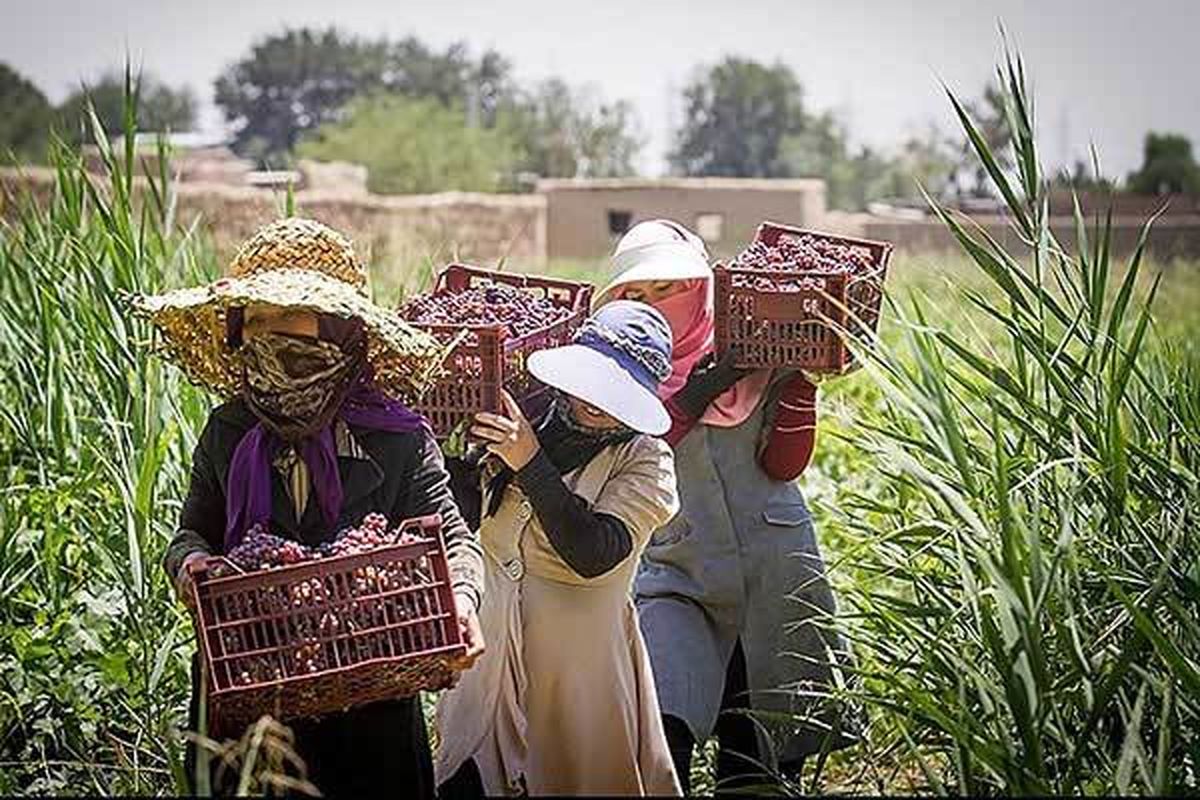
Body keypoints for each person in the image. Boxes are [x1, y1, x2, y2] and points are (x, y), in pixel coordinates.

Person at [132, 217, 485, 797]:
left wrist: (463, 599)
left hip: (372, 694)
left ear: (338, 330)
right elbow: (191, 533)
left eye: (289, 316)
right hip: (251, 694)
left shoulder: (396, 439)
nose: (271, 334)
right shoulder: (229, 430)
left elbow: (452, 536)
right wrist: (190, 567)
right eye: (258, 318)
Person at [597, 220, 860, 794]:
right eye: (638, 294)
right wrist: (699, 389)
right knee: (663, 717)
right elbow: (645, 447)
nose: (656, 303)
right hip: (679, 570)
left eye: (669, 287)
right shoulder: (622, 370)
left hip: (776, 566)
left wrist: (799, 385)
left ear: (702, 285)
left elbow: (784, 465)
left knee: (764, 740)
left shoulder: (762, 346)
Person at [435, 300, 682, 797]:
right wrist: (461, 458)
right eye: (588, 383)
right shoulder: (532, 419)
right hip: (491, 652)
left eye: (613, 392)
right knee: (471, 778)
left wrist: (529, 461)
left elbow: (593, 552)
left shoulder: (645, 459)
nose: (594, 402)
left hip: (579, 670)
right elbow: (465, 520)